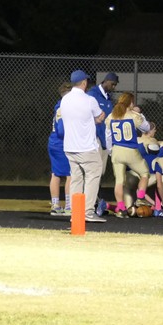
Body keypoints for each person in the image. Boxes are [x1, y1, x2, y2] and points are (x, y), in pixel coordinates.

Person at [60, 69, 107, 223]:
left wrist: (91, 120)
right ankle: (88, 211)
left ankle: (76, 212)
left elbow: (80, 119)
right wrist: (97, 119)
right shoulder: (89, 100)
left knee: (76, 179)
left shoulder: (65, 100)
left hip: (69, 146)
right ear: (84, 82)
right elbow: (99, 116)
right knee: (93, 176)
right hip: (86, 147)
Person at [106, 92, 152, 218]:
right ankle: (140, 198)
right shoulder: (133, 115)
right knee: (144, 173)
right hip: (130, 150)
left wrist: (111, 151)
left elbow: (108, 136)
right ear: (130, 103)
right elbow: (147, 128)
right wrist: (139, 113)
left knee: (119, 181)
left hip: (116, 150)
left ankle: (121, 208)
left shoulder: (111, 116)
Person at [87, 72, 118, 183]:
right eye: (112, 84)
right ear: (106, 81)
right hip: (95, 138)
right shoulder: (93, 94)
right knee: (94, 172)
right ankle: (90, 194)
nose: (113, 87)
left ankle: (95, 193)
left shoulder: (108, 98)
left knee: (101, 172)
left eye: (115, 85)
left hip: (105, 138)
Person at [48, 82, 72, 216]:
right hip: (61, 143)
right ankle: (69, 206)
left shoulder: (59, 105)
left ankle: (55, 204)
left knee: (56, 174)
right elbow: (62, 130)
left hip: (53, 142)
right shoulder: (64, 107)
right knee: (70, 174)